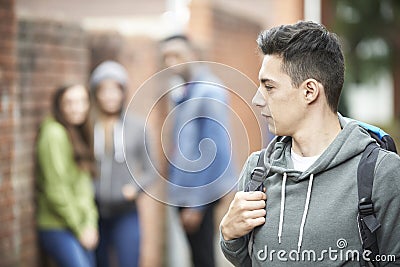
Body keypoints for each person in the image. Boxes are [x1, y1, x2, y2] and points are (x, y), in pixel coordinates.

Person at [220, 21, 400, 266]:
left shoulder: (382, 173)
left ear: (309, 91)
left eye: (269, 87)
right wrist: (229, 236)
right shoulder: (257, 170)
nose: (257, 100)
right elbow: (248, 260)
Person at [160, 35, 236, 267]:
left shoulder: (209, 92)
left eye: (177, 55)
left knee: (203, 258)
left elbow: (215, 150)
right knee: (196, 256)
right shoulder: (184, 91)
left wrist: (196, 204)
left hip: (199, 192)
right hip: (184, 189)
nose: (170, 62)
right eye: (166, 57)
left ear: (193, 56)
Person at [89, 60, 156, 267]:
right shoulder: (88, 127)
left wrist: (134, 189)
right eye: (104, 90)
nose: (110, 96)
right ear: (96, 94)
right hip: (93, 213)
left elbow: (151, 170)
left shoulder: (137, 127)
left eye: (115, 90)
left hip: (125, 213)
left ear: (123, 93)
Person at [36, 84, 98, 267]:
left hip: (81, 226)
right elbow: (56, 189)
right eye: (69, 102)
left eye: (81, 101)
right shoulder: (54, 134)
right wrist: (81, 228)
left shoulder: (78, 132)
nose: (76, 108)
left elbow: (85, 187)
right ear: (59, 106)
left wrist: (91, 224)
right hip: (57, 225)